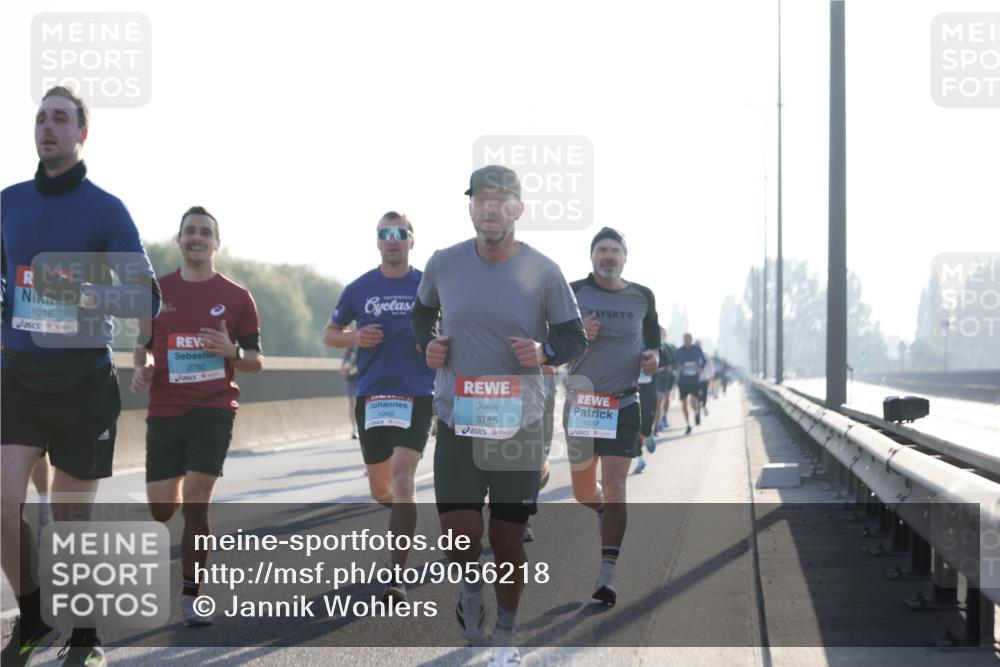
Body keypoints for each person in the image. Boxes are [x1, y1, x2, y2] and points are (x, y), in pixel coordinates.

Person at [1, 86, 160, 667]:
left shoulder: (105, 210)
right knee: (2, 502)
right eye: (41, 118)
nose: (47, 127)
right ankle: (35, 616)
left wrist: (83, 290)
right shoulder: (8, 203)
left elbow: (144, 297)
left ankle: (87, 635)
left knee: (69, 520)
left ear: (81, 134)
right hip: (16, 375)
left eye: (60, 118)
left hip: (82, 382)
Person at [411, 166, 586, 667]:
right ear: (471, 208)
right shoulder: (443, 264)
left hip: (520, 424)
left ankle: (506, 636)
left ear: (518, 210)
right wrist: (429, 344)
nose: (490, 208)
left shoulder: (544, 271)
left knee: (507, 539)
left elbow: (575, 337)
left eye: (501, 200)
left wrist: (544, 349)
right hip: (458, 419)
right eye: (481, 199)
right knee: (459, 537)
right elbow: (421, 315)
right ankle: (470, 588)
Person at [132, 206, 262, 627]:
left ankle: (192, 593)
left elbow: (257, 361)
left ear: (216, 242)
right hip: (165, 409)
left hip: (214, 408)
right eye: (189, 231)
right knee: (160, 510)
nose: (196, 238)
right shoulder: (156, 292)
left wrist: (233, 354)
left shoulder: (238, 297)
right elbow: (144, 345)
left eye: (205, 232)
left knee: (197, 505)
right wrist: (145, 365)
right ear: (179, 239)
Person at [323, 211, 436, 605]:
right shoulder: (359, 288)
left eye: (400, 233)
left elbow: (452, 326)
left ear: (411, 240)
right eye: (385, 234)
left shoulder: (426, 285)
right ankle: (400, 515)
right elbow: (330, 334)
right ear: (377, 242)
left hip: (418, 394)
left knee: (404, 480)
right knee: (381, 490)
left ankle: (397, 574)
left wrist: (434, 342)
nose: (393, 239)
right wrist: (355, 336)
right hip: (372, 398)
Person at [566, 228, 660, 602]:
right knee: (583, 491)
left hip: (623, 402)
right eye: (601, 250)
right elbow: (549, 341)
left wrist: (654, 359)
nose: (608, 256)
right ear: (592, 256)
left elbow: (653, 342)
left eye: (614, 250)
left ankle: (606, 574)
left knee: (618, 484)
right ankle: (601, 507)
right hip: (583, 405)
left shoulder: (643, 296)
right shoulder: (573, 292)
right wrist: (577, 332)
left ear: (625, 257)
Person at [673, 333, 707, 435]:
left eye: (689, 339)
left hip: (694, 380)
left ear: (691, 340)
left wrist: (700, 368)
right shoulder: (679, 351)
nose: (687, 341)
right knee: (684, 404)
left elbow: (704, 361)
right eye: (685, 339)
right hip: (683, 381)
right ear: (683, 340)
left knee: (693, 402)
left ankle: (696, 412)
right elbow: (673, 363)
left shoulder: (697, 349)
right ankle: (688, 424)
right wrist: (677, 368)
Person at [341, 343, 360, 439]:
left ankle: (360, 427)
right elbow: (342, 370)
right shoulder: (347, 354)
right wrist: (346, 370)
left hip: (360, 380)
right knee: (352, 403)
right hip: (350, 381)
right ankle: (354, 428)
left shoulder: (359, 350)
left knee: (359, 404)